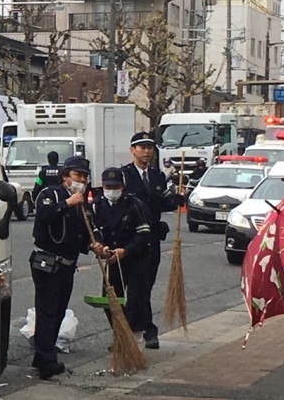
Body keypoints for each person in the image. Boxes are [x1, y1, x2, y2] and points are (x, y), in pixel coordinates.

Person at [30, 155, 98, 380]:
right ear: (65, 177)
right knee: (47, 310)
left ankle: (42, 354)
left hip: (68, 264)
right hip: (47, 261)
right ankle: (47, 361)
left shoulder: (82, 202)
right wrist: (67, 204)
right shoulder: (51, 194)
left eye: (85, 176)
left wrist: (94, 244)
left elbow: (86, 229)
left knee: (59, 310)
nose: (81, 180)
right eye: (77, 175)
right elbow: (43, 215)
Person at [120, 131, 185, 349]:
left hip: (152, 240)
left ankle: (138, 327)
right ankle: (144, 328)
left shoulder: (157, 176)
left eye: (149, 148)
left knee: (146, 284)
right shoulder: (123, 175)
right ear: (132, 150)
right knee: (134, 286)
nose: (146, 152)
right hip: (130, 238)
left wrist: (177, 198)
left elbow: (164, 201)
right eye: (142, 147)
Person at [91, 167, 154, 324]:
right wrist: (101, 247)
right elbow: (94, 231)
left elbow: (144, 234)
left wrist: (126, 251)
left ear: (123, 186)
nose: (112, 191)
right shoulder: (97, 205)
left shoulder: (134, 204)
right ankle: (120, 334)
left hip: (135, 257)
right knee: (110, 300)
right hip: (112, 259)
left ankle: (135, 334)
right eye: (108, 187)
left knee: (136, 300)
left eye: (115, 187)